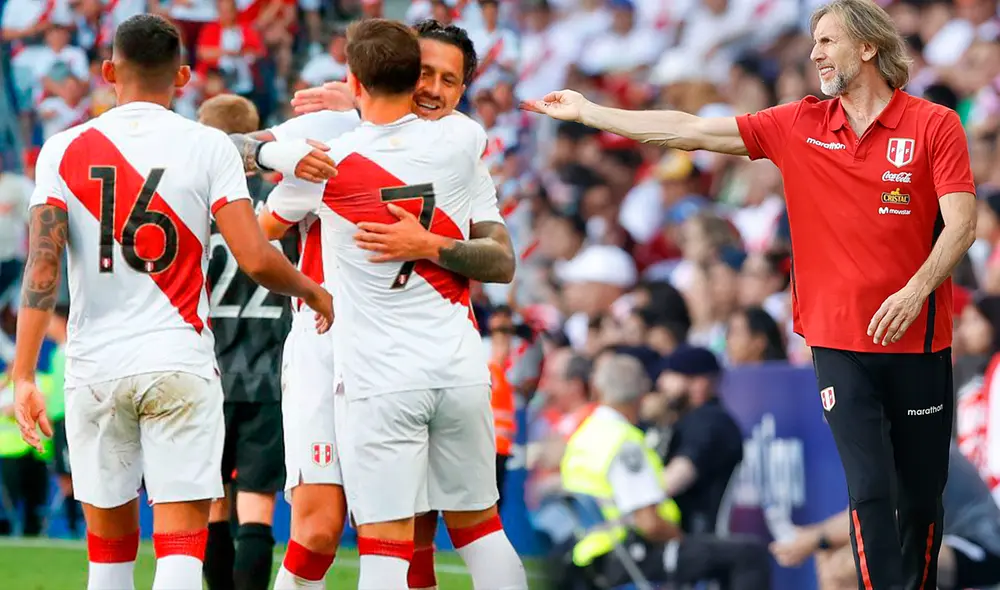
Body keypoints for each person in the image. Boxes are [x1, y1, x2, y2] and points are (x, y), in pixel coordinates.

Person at [522, 0, 978, 586]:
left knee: (919, 499)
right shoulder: (799, 124)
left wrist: (916, 291)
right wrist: (592, 112)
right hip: (838, 341)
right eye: (812, 41)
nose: (814, 53)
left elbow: (962, 223)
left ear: (867, 48)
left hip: (919, 341)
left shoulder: (933, 124)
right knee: (869, 489)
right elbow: (687, 130)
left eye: (827, 41)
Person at [9, 14, 332, 590]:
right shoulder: (207, 146)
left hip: (97, 367)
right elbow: (256, 257)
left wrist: (24, 373)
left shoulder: (62, 150)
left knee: (108, 559)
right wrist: (311, 290)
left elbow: (43, 266)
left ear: (109, 71)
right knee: (181, 553)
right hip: (179, 362)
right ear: (183, 76)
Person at [250, 20, 519, 590]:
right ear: (401, 66)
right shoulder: (333, 130)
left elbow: (501, 261)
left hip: (389, 365)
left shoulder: (460, 147)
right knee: (320, 530)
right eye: (425, 73)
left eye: (451, 81)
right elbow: (234, 151)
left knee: (407, 535)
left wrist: (432, 245)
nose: (435, 90)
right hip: (327, 348)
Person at [556, 353, 771, 589]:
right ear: (641, 394)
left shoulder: (585, 435)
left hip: (589, 556)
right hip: (630, 556)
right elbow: (650, 524)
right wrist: (683, 540)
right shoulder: (624, 442)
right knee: (749, 555)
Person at [197, 94, 292, 590]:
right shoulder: (283, 203)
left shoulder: (195, 200)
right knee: (256, 504)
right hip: (271, 372)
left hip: (208, 373)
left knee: (213, 502)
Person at [771, 445, 1000, 590]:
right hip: (936, 542)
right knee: (830, 556)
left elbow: (887, 521)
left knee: (850, 563)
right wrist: (820, 541)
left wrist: (816, 537)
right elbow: (863, 517)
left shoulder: (922, 448)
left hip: (982, 551)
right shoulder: (880, 456)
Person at [654, 347, 744, 534]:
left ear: (700, 383)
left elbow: (676, 477)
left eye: (673, 374)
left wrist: (633, 497)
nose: (662, 383)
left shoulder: (709, 422)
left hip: (696, 539)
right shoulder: (688, 419)